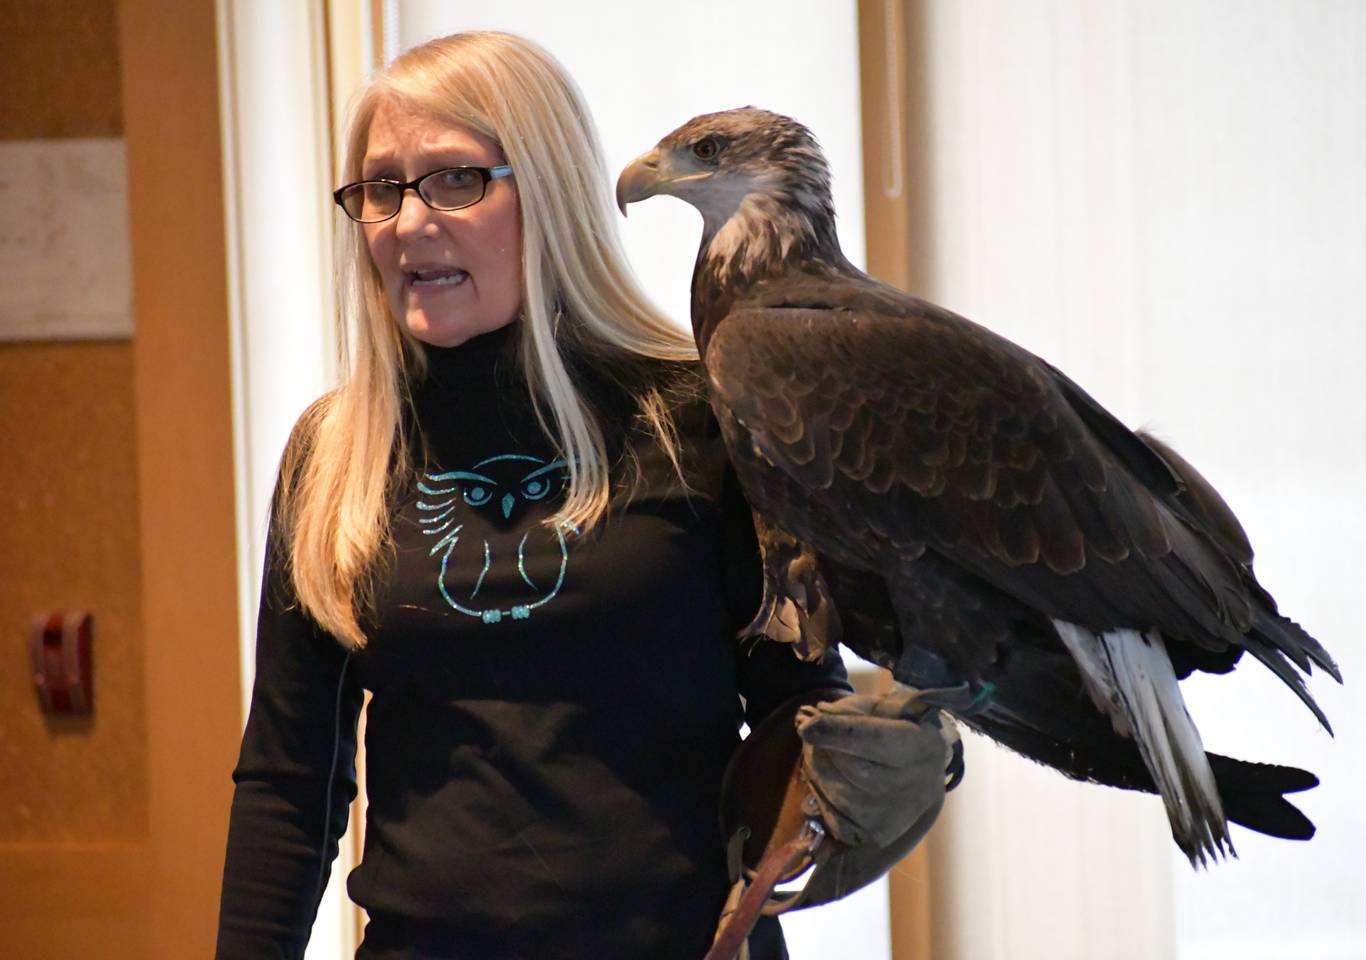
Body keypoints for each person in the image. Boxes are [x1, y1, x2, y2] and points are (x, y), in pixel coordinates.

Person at [216, 31, 954, 960]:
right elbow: (290, 784)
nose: (407, 224)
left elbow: (794, 702)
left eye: (454, 180)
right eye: (380, 189)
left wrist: (872, 753)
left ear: (552, 193)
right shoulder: (337, 456)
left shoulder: (705, 419)